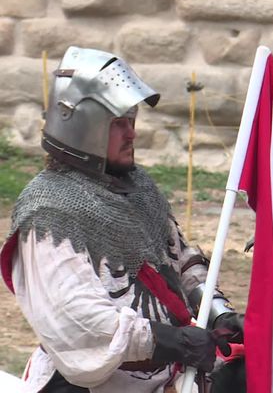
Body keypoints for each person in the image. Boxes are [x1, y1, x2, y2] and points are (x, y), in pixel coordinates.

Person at [0, 46, 243, 392]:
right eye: (118, 124)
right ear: (81, 127)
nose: (131, 134)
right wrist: (172, 341)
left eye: (131, 120)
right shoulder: (48, 213)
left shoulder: (137, 188)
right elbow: (78, 320)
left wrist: (219, 312)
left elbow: (181, 260)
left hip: (171, 376)